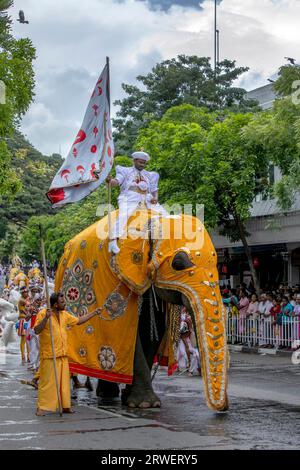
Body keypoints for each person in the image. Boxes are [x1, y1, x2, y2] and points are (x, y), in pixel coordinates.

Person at [34, 292, 100, 416]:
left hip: (63, 354)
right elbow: (37, 330)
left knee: (64, 384)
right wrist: (46, 318)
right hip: (50, 355)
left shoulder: (65, 315)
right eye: (62, 302)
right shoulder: (43, 313)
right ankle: (42, 407)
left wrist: (94, 313)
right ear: (55, 304)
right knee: (48, 383)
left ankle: (65, 406)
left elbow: (79, 321)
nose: (65, 303)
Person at [106, 151, 168, 254]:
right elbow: (116, 182)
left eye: (144, 163)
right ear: (134, 161)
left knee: (165, 214)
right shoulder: (125, 171)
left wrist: (155, 198)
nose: (142, 165)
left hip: (147, 198)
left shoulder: (149, 175)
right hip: (130, 197)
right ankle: (112, 241)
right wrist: (109, 181)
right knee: (124, 214)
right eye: (140, 162)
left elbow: (154, 189)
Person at [17, 286, 31, 364]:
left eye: (27, 292)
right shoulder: (21, 300)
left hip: (27, 320)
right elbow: (26, 311)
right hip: (23, 320)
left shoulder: (26, 299)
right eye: (25, 292)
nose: (26, 293)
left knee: (28, 339)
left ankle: (29, 356)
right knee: (24, 339)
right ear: (22, 293)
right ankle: (23, 356)